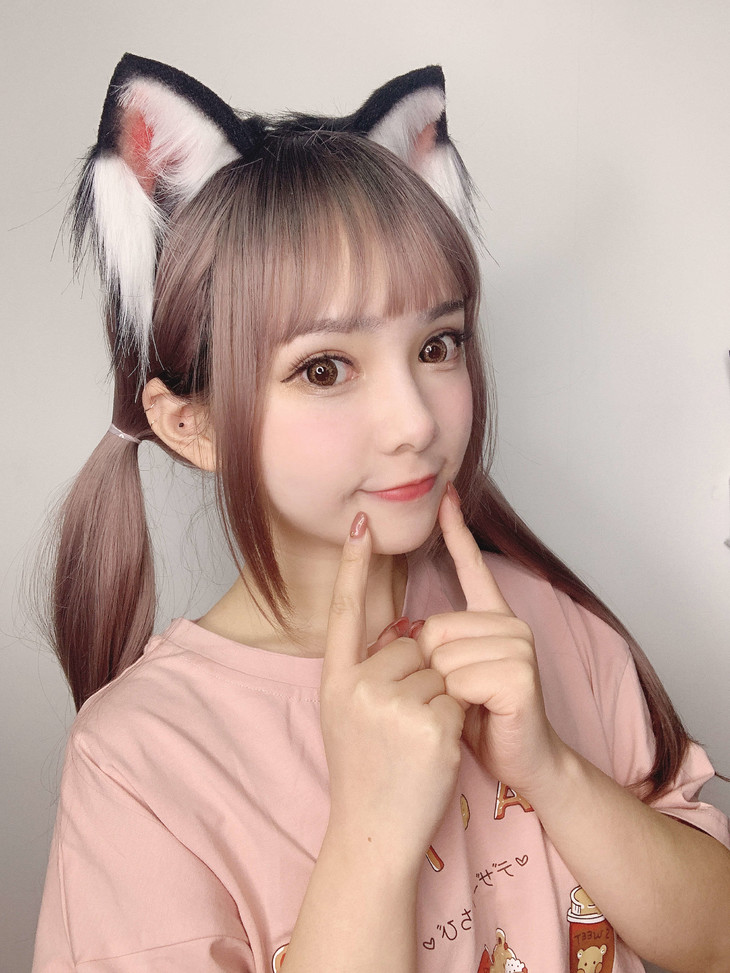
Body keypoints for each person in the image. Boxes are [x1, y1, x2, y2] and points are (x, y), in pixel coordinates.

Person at [32, 54, 729, 973]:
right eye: (324, 368)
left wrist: (552, 769)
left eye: (437, 345)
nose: (415, 422)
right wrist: (371, 832)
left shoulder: (542, 618)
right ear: (190, 425)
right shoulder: (141, 760)